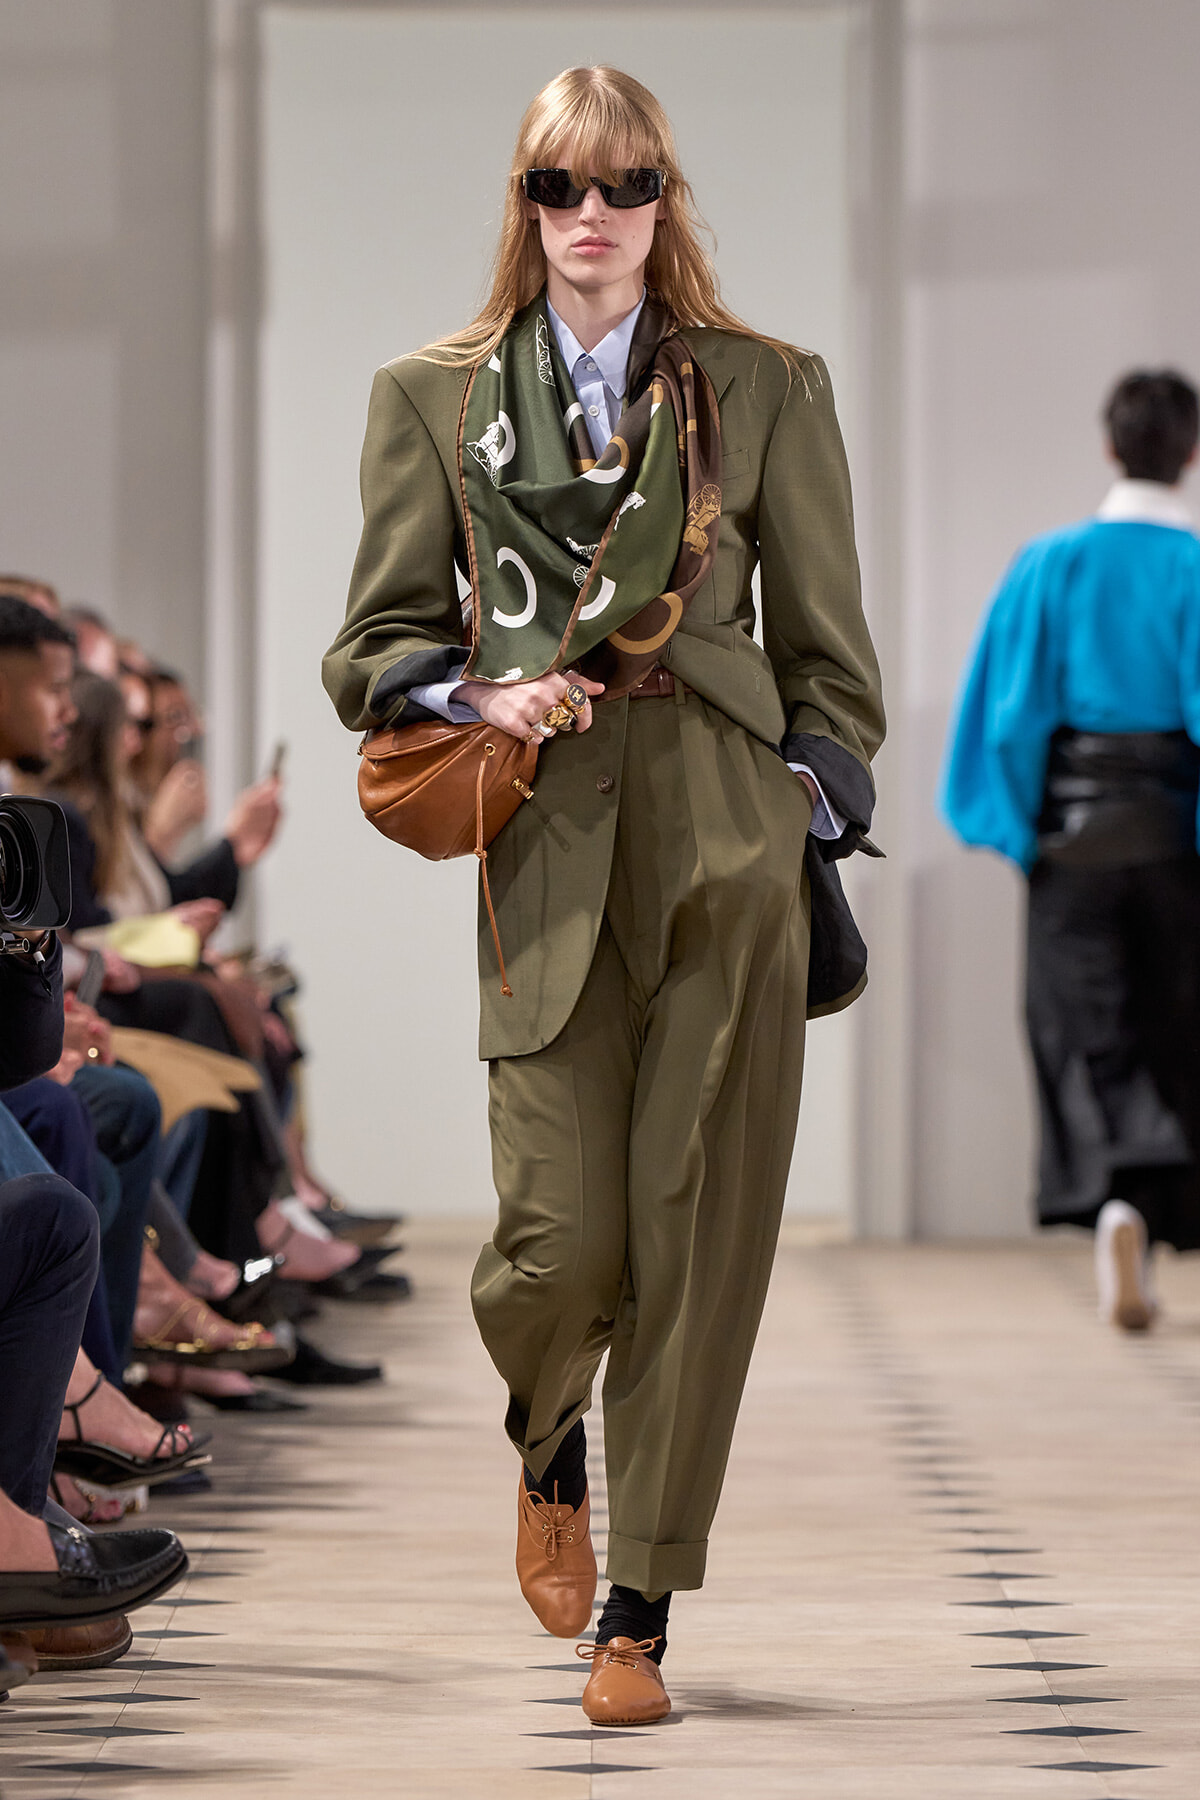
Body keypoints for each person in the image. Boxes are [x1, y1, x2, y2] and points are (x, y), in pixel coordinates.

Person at [324, 65, 883, 1724]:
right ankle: (545, 1428)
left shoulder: (766, 387)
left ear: (664, 201)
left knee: (698, 1232)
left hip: (726, 839)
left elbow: (829, 654)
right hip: (548, 842)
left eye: (625, 184)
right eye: (559, 187)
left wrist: (799, 796)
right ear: (524, 205)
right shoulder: (431, 399)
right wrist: (473, 691)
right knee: (560, 1247)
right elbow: (372, 642)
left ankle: (639, 1611)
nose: (593, 216)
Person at [942, 368, 1200, 1332]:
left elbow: (1008, 718)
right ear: (1190, 453)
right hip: (1179, 846)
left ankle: (1115, 1213)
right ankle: (1148, 1217)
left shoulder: (1049, 565)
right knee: (1177, 1034)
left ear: (1109, 447)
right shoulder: (1195, 569)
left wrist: (1020, 834)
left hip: (1071, 845)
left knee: (1084, 1035)